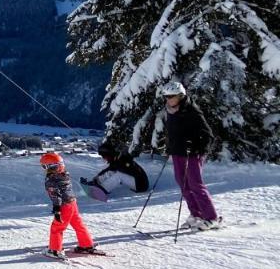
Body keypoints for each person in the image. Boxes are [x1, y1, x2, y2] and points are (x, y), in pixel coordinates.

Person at [161, 80, 220, 230]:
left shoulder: (192, 111)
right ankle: (196, 214)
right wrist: (170, 146)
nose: (168, 99)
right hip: (178, 152)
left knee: (195, 184)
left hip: (193, 153)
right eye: (166, 96)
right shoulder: (170, 110)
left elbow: (208, 135)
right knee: (183, 184)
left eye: (171, 96)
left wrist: (197, 148)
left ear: (181, 95)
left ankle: (212, 217)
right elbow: (173, 132)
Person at [41, 151, 98, 258]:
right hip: (72, 203)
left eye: (45, 167)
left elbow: (55, 196)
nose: (45, 170)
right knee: (78, 224)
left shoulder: (51, 180)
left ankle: (54, 250)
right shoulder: (64, 174)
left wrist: (57, 209)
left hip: (64, 206)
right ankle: (86, 245)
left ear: (50, 166)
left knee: (57, 227)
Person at [80, 140, 150, 198]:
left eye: (104, 156)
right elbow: (108, 170)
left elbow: (115, 169)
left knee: (118, 175)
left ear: (109, 154)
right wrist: (95, 180)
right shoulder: (117, 158)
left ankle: (102, 190)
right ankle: (96, 183)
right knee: (112, 172)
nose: (104, 158)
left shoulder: (122, 159)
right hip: (138, 181)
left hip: (141, 185)